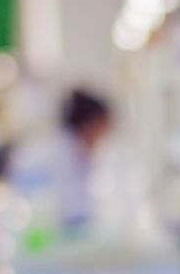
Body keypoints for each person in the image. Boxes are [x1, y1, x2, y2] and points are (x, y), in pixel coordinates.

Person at [9, 87, 112, 236]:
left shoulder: (78, 150)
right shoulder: (60, 152)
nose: (105, 136)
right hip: (49, 232)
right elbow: (69, 208)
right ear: (92, 124)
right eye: (104, 127)